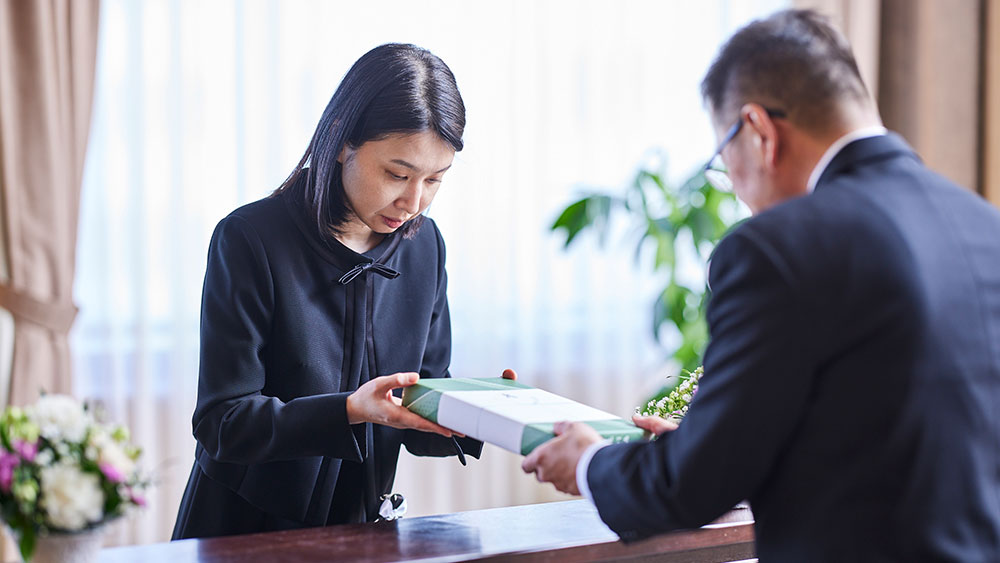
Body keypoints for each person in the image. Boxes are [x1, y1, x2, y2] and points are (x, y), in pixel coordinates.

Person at [521, 9, 1000, 561]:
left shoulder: (775, 249)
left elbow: (689, 489)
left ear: (758, 131)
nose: (738, 190)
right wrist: (725, 440)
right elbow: (895, 439)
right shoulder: (982, 225)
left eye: (725, 161)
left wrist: (589, 462)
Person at [172, 43, 512, 540]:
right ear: (341, 141)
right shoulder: (250, 238)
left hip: (362, 531)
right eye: (397, 174)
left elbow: (420, 397)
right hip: (241, 531)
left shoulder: (425, 249)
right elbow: (224, 421)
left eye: (434, 180)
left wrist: (478, 416)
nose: (413, 201)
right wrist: (349, 409)